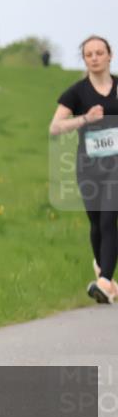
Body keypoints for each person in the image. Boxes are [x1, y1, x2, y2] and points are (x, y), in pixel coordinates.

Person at [49, 36, 118, 304]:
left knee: (109, 216)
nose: (95, 57)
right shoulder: (76, 92)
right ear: (84, 59)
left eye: (99, 52)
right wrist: (85, 119)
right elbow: (55, 127)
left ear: (109, 55)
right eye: (89, 54)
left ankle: (103, 279)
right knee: (96, 222)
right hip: (89, 165)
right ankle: (107, 281)